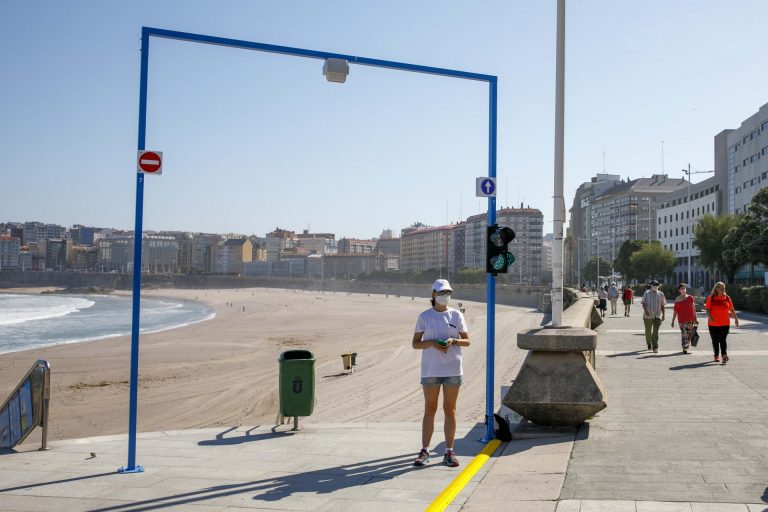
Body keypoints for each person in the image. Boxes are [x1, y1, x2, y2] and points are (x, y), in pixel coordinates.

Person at [411, 279, 470, 468]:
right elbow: (415, 343)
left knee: (450, 410)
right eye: (443, 292)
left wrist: (454, 341)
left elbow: (467, 341)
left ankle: (449, 451)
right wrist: (433, 343)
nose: (446, 296)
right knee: (430, 409)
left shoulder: (456, 315)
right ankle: (425, 450)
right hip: (431, 370)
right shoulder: (424, 316)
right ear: (434, 294)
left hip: (453, 368)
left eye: (448, 292)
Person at [705, 282, 739, 364]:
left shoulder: (727, 298)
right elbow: (707, 309)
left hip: (725, 323)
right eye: (721, 288)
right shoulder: (711, 298)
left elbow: (731, 309)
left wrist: (736, 319)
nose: (723, 290)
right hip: (713, 324)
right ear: (716, 289)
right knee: (715, 340)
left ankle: (724, 355)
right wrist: (710, 316)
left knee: (723, 340)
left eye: (724, 288)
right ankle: (716, 355)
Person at [670, 283, 697, 354]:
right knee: (684, 333)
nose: (683, 289)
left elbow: (694, 308)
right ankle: (684, 347)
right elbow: (675, 311)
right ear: (679, 290)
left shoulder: (690, 297)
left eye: (684, 288)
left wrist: (695, 319)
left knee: (690, 333)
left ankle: (687, 345)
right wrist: (673, 320)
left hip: (691, 319)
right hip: (682, 320)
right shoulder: (677, 299)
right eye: (682, 288)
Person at [641, 280, 666, 352]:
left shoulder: (661, 294)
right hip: (647, 316)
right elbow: (643, 303)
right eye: (654, 285)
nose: (655, 286)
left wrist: (663, 315)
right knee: (648, 331)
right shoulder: (646, 293)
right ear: (651, 285)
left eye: (657, 285)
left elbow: (662, 305)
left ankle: (655, 346)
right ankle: (649, 343)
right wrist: (646, 310)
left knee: (655, 332)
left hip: (657, 316)